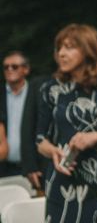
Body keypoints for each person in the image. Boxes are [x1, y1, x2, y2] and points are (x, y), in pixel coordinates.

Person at [37, 24, 97, 222]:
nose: (61, 54)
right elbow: (40, 139)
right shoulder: (50, 88)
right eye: (59, 48)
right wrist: (53, 152)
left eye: (69, 47)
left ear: (88, 50)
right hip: (62, 175)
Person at [0, 51, 47, 191]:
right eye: (6, 67)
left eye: (14, 66)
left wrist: (35, 165)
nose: (9, 70)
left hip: (32, 168)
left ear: (26, 69)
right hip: (4, 168)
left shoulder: (38, 94)